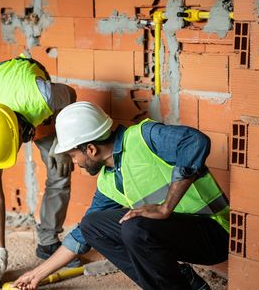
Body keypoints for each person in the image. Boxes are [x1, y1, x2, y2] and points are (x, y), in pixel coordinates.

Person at [13, 101, 230, 290]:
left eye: (73, 155)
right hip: (181, 236)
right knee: (92, 225)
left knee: (134, 227)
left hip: (217, 233)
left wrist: (166, 207)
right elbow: (82, 235)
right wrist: (37, 274)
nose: (75, 163)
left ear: (90, 149)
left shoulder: (143, 137)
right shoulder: (108, 181)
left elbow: (195, 141)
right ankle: (180, 282)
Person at [0, 55, 79, 288]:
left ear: (22, 133)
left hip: (31, 100)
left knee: (60, 167)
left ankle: (48, 242)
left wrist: (62, 142)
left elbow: (70, 94)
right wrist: (1, 251)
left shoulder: (43, 97)